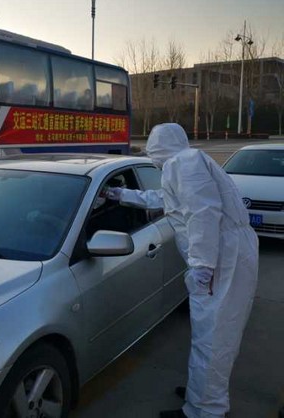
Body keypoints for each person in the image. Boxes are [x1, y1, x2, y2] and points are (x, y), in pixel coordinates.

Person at [105, 123, 258, 418]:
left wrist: (203, 266)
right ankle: (202, 396)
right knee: (214, 335)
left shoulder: (183, 164)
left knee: (213, 337)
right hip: (228, 255)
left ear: (159, 147)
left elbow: (203, 214)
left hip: (222, 259)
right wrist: (119, 194)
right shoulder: (187, 163)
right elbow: (164, 200)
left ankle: (206, 411)